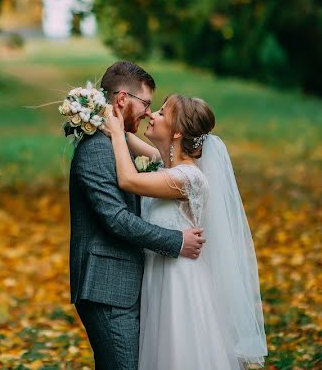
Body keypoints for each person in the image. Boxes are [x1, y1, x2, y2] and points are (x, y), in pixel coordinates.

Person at [103, 93, 267, 369]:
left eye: (162, 113)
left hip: (179, 283)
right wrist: (98, 112)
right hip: (161, 276)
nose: (152, 114)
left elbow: (128, 179)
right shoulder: (168, 165)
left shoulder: (187, 178)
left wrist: (117, 135)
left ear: (177, 132)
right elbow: (132, 139)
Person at [68, 61, 206, 370]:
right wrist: (176, 241)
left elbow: (158, 161)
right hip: (107, 287)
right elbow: (117, 219)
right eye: (145, 103)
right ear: (121, 100)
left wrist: (118, 133)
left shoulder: (115, 145)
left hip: (128, 284)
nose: (148, 111)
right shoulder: (96, 150)